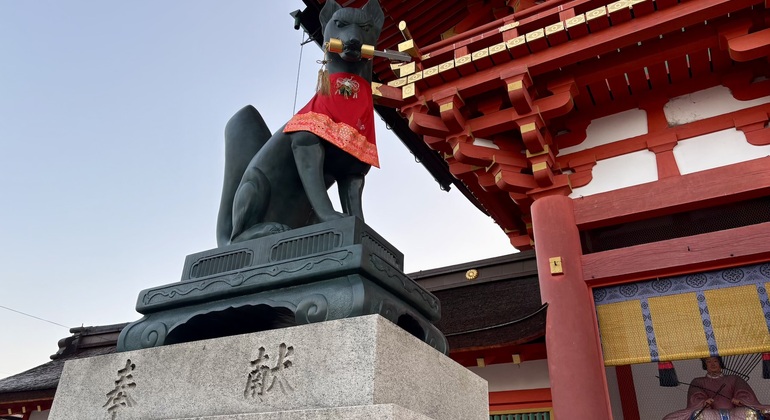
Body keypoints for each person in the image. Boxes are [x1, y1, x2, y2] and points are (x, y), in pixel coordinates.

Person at [663, 356, 770, 420]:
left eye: (715, 361)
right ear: (705, 365)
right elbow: (695, 397)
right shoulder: (698, 381)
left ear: (720, 363)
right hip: (712, 413)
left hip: (735, 411)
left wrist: (740, 400)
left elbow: (744, 393)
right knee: (701, 415)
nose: (712, 364)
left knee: (748, 413)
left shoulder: (734, 378)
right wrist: (704, 402)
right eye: (709, 362)